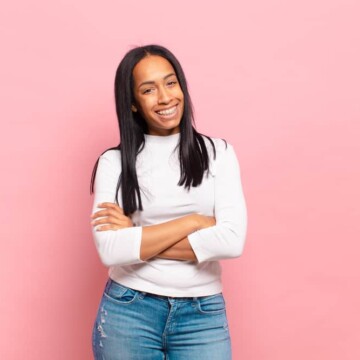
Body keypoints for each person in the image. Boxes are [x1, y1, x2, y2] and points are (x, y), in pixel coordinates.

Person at [89, 44, 247, 360]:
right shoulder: (114, 162)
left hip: (202, 316)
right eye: (149, 90)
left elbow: (231, 242)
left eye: (170, 83)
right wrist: (194, 222)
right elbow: (111, 250)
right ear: (133, 103)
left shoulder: (219, 154)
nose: (165, 98)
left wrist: (136, 233)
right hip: (128, 311)